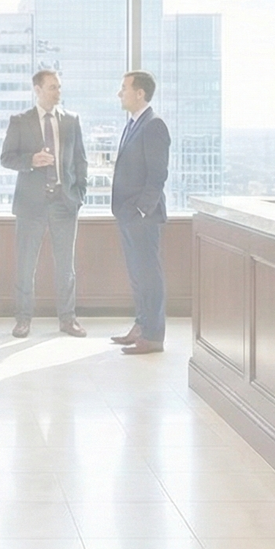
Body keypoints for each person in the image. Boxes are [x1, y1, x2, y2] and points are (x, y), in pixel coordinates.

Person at [1, 70, 88, 338]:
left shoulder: (72, 121)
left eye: (59, 87)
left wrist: (79, 195)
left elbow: (80, 161)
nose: (57, 92)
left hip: (64, 203)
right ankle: (23, 319)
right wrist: (30, 161)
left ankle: (68, 319)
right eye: (52, 87)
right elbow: (6, 158)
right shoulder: (20, 121)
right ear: (37, 89)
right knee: (26, 265)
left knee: (66, 266)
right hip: (30, 206)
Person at [110, 71, 171, 355]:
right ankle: (141, 326)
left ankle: (153, 335)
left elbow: (158, 175)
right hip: (128, 214)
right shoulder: (134, 123)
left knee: (148, 275)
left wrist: (141, 210)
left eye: (124, 88)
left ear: (140, 93)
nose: (120, 93)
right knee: (137, 274)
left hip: (142, 216)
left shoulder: (154, 125)